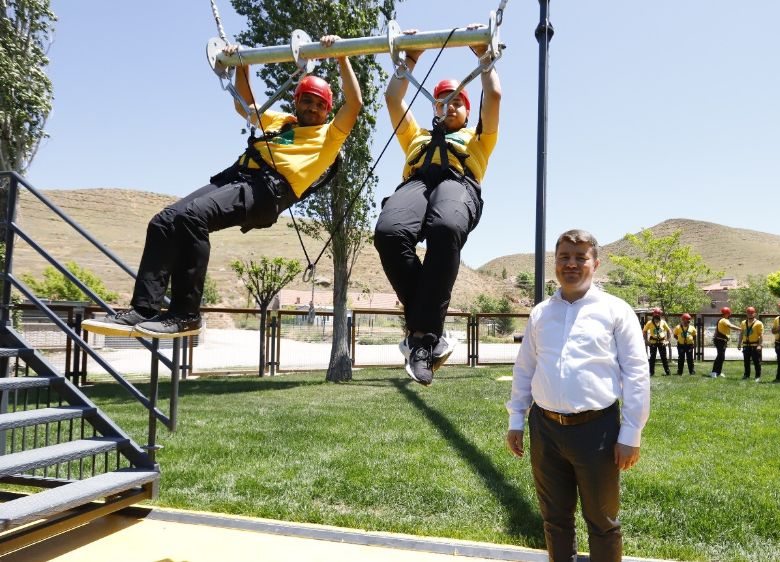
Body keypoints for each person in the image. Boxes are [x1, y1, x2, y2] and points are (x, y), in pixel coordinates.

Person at [85, 37, 361, 337]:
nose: (313, 108)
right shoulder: (281, 120)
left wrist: (341, 57)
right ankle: (143, 309)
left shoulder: (330, 136)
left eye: (320, 105)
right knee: (164, 222)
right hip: (239, 175)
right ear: (296, 100)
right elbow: (245, 106)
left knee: (192, 218)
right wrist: (242, 63)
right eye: (307, 100)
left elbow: (355, 103)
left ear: (328, 110)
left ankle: (185, 314)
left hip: (268, 190)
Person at [506, 229, 650, 562]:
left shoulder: (616, 311)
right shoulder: (541, 313)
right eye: (564, 257)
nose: (571, 264)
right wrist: (517, 419)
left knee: (603, 522)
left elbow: (637, 375)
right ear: (555, 263)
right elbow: (525, 369)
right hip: (546, 430)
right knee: (554, 520)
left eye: (580, 257)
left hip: (597, 431)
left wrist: (631, 433)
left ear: (595, 263)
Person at [374, 24, 501, 386]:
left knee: (445, 228)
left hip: (458, 184)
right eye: (443, 99)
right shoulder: (417, 136)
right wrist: (410, 58)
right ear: (434, 106)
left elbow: (493, 98)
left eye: (458, 100)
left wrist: (484, 60)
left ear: (465, 109)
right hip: (416, 184)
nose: (450, 105)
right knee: (388, 233)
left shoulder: (477, 138)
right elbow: (394, 99)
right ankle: (427, 331)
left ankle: (423, 340)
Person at [709, 307, 739, 378]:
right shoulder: (724, 320)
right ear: (727, 313)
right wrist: (741, 329)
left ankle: (718, 372)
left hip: (721, 340)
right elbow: (730, 326)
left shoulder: (722, 320)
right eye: (729, 313)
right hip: (720, 340)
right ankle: (714, 372)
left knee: (721, 356)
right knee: (720, 356)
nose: (729, 315)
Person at [737, 306, 764, 382]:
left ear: (754, 314)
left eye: (751, 313)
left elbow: (761, 335)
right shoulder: (743, 323)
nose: (750, 314)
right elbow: (741, 333)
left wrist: (760, 345)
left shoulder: (758, 323)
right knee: (746, 362)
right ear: (746, 314)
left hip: (755, 345)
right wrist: (739, 343)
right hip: (746, 345)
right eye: (748, 313)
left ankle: (757, 376)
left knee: (756, 362)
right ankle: (746, 375)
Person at [642, 308, 671, 376]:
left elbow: (669, 331)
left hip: (662, 342)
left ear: (660, 316)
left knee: (664, 358)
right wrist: (646, 340)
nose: (656, 318)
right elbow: (644, 331)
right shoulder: (649, 323)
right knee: (652, 358)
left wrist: (667, 341)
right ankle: (651, 373)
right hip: (653, 342)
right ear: (653, 316)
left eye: (658, 316)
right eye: (655, 316)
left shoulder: (663, 322)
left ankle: (667, 372)